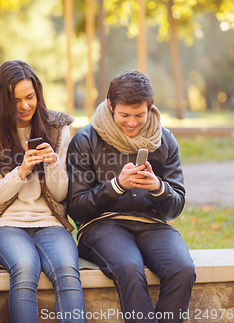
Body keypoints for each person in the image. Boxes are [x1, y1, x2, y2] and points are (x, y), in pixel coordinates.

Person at [67, 70, 195, 323]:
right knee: (128, 267)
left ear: (150, 108)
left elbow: (175, 207)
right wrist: (115, 186)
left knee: (183, 269)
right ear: (111, 106)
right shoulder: (85, 139)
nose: (132, 123)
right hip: (102, 225)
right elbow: (76, 208)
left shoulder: (165, 140)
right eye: (124, 115)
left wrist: (159, 187)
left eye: (139, 115)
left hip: (153, 224)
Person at [0, 60, 86, 323]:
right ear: (3, 101)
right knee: (25, 268)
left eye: (30, 97)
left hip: (50, 221)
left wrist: (51, 164)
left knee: (67, 270)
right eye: (16, 100)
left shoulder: (58, 128)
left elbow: (61, 195)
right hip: (6, 224)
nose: (25, 106)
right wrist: (22, 170)